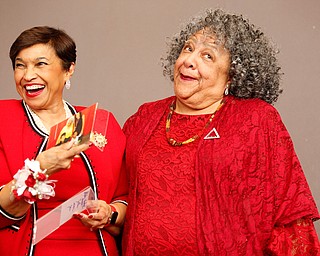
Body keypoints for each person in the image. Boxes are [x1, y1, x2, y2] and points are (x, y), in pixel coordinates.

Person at [121, 9, 320, 255]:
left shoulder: (256, 120)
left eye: (208, 56)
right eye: (188, 48)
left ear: (231, 77)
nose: (190, 60)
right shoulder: (145, 117)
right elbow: (119, 193)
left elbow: (288, 210)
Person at [0, 26, 128, 256]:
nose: (27, 76)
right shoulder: (3, 119)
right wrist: (39, 170)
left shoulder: (101, 122)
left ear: (68, 70)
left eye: (40, 64)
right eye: (20, 65)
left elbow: (125, 198)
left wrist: (108, 213)